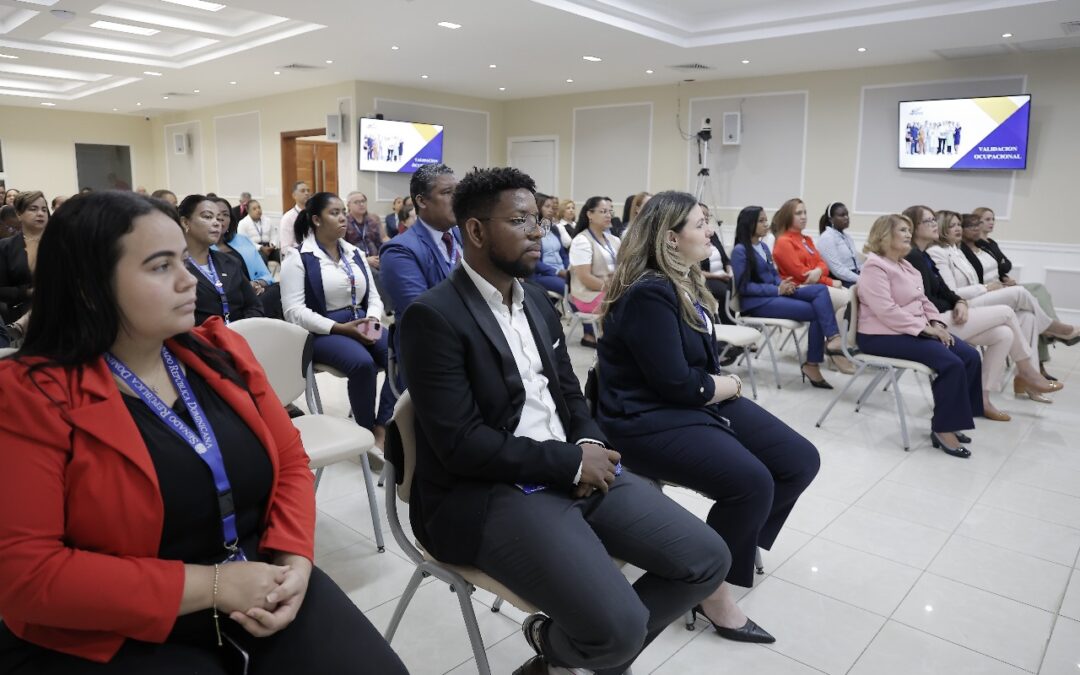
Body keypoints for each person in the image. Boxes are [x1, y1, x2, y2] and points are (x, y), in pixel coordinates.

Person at [0, 191, 408, 674]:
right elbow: (29, 575)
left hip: (259, 574)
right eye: (159, 266)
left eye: (182, 259)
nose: (187, 278)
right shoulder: (28, 396)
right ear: (88, 287)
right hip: (114, 624)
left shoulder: (219, 349)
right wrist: (213, 585)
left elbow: (291, 463)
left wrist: (295, 559)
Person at [396, 167, 729, 675]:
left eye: (539, 218)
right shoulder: (434, 317)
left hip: (564, 466)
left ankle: (563, 647)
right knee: (617, 630)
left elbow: (569, 394)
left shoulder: (533, 300)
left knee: (708, 558)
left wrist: (587, 445)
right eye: (521, 220)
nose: (538, 230)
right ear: (477, 231)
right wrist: (569, 464)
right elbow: (460, 445)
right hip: (489, 491)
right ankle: (582, 648)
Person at [597, 190, 818, 646]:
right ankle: (711, 592)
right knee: (752, 483)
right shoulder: (650, 292)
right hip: (646, 416)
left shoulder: (683, 280)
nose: (711, 230)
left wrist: (719, 387)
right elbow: (679, 385)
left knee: (800, 460)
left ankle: (731, 544)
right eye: (701, 224)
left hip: (692, 399)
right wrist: (731, 386)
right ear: (670, 238)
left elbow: (694, 374)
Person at [902, 205, 1059, 419]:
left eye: (933, 220)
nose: (934, 224)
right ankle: (1026, 369)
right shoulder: (915, 256)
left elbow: (944, 291)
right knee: (1006, 311)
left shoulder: (924, 256)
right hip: (932, 323)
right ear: (914, 227)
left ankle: (982, 400)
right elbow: (926, 300)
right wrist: (958, 303)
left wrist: (959, 302)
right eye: (929, 221)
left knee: (1004, 334)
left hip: (948, 313)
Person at [857, 214, 984, 457]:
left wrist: (936, 321)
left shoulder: (905, 265)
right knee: (950, 362)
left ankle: (952, 418)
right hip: (880, 335)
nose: (908, 234)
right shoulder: (875, 266)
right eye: (903, 230)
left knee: (969, 356)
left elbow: (922, 300)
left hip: (908, 329)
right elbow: (886, 310)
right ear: (885, 235)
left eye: (909, 230)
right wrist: (925, 329)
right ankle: (942, 428)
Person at [280, 192, 393, 447]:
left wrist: (372, 321)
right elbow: (294, 312)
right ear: (317, 220)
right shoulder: (297, 258)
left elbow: (374, 297)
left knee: (402, 354)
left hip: (362, 322)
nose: (343, 218)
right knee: (362, 364)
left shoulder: (355, 253)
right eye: (335, 213)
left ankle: (383, 422)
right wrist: (340, 328)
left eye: (343, 211)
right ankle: (366, 431)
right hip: (322, 331)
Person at [929, 212, 1078, 389]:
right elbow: (953, 292)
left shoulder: (955, 250)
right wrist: (986, 288)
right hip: (962, 305)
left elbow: (996, 268)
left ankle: (1026, 379)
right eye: (952, 225)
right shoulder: (937, 252)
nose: (958, 229)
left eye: (959, 225)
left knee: (1027, 317)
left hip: (977, 297)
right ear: (942, 227)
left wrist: (994, 286)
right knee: (1019, 293)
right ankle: (1053, 328)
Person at [731, 206, 850, 388]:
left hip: (775, 293)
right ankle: (814, 362)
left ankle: (832, 339)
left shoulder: (762, 246)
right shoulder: (740, 251)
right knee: (817, 310)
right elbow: (744, 287)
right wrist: (777, 290)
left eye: (765, 220)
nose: (766, 224)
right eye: (761, 221)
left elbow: (772, 275)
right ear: (750, 224)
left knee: (819, 291)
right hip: (757, 303)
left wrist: (782, 284)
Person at [971, 206, 1079, 381]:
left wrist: (1005, 278)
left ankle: (1049, 335)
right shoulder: (974, 246)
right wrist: (1000, 281)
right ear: (976, 222)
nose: (991, 223)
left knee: (1036, 300)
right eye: (987, 219)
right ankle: (1054, 331)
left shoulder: (991, 244)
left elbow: (1002, 267)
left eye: (993, 219)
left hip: (1003, 285)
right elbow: (981, 274)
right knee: (1035, 298)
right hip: (991, 291)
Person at [379, 163, 460, 388]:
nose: (457, 198)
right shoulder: (399, 250)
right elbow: (423, 313)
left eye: (458, 191)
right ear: (422, 201)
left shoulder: (464, 235)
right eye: (446, 193)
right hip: (432, 352)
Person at [178, 195, 263, 325]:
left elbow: (254, 306)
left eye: (218, 218)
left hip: (239, 338)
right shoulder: (175, 268)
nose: (217, 223)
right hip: (200, 342)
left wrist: (240, 332)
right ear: (185, 222)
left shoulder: (230, 262)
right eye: (207, 217)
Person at [771, 198, 852, 317]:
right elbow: (802, 275)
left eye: (805, 212)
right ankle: (838, 335)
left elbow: (824, 265)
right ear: (788, 217)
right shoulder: (784, 242)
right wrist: (830, 281)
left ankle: (841, 335)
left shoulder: (806, 239)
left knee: (855, 300)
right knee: (849, 302)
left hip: (817, 285)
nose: (804, 217)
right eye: (799, 213)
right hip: (799, 288)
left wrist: (818, 271)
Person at [211, 197, 282, 320]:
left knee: (277, 289)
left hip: (253, 295)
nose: (220, 218)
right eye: (214, 214)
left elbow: (266, 276)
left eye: (225, 214)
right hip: (226, 301)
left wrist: (256, 283)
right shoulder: (202, 247)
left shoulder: (242, 240)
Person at [569, 196, 619, 348]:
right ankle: (614, 348)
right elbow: (585, 278)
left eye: (610, 211)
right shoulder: (581, 241)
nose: (608, 215)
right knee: (625, 304)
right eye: (603, 211)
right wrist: (615, 289)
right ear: (590, 214)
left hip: (610, 290)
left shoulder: (614, 240)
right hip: (587, 294)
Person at [0, 191, 48, 325]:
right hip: (22, 310)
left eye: (44, 209)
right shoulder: (6, 247)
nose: (40, 213)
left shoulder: (61, 242)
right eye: (33, 209)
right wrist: (27, 292)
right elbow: (1, 289)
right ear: (19, 214)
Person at [529, 192, 568, 296]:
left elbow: (563, 254)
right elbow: (534, 262)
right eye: (547, 206)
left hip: (561, 271)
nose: (551, 210)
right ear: (538, 207)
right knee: (568, 286)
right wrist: (557, 272)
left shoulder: (554, 229)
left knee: (580, 282)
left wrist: (568, 269)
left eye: (553, 207)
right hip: (542, 274)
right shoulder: (532, 230)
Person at [816, 202, 861, 287]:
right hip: (842, 280)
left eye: (847, 214)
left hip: (855, 276)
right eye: (842, 215)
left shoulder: (847, 237)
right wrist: (861, 279)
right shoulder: (827, 238)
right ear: (831, 219)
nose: (846, 218)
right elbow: (838, 270)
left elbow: (858, 263)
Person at [344, 191, 384, 272]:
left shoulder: (374, 219)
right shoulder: (344, 222)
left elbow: (382, 239)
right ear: (348, 205)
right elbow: (342, 249)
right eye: (357, 202)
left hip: (377, 259)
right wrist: (365, 260)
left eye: (363, 201)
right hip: (355, 263)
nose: (361, 204)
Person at [237, 199, 280, 264]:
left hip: (269, 248)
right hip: (254, 250)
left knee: (281, 255)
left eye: (259, 207)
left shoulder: (268, 220)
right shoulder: (243, 223)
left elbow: (274, 235)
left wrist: (273, 244)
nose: (258, 210)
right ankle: (266, 274)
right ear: (248, 211)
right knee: (261, 258)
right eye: (254, 209)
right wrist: (260, 247)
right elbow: (244, 242)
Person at [278, 181, 311, 254]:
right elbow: (285, 248)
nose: (307, 193)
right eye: (303, 191)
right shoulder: (288, 218)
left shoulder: (314, 215)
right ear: (294, 195)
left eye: (308, 191)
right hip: (298, 256)